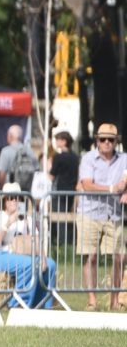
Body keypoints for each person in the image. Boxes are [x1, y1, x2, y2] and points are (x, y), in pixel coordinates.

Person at [76, 123, 127, 311]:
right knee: (91, 256)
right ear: (97, 140)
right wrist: (113, 189)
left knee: (120, 257)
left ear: (116, 141)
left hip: (113, 214)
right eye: (103, 139)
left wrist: (126, 191)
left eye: (110, 139)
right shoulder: (88, 158)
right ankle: (92, 301)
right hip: (89, 212)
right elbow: (87, 185)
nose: (106, 142)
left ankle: (115, 301)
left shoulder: (124, 159)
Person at [0, 182, 55, 308]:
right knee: (29, 264)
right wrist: (8, 223)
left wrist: (42, 258)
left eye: (17, 198)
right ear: (4, 201)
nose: (14, 200)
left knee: (51, 264)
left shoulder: (27, 218)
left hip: (19, 256)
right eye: (10, 198)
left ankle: (42, 304)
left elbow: (37, 239)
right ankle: (18, 304)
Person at [0, 123, 38, 189]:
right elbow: (36, 171)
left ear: (10, 136)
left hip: (10, 190)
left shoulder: (5, 151)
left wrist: (1, 188)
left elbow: (2, 174)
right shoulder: (30, 151)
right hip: (26, 191)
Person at [49, 131, 79, 213]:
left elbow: (52, 175)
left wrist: (48, 168)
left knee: (58, 215)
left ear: (64, 141)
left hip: (59, 191)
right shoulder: (75, 157)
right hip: (71, 191)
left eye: (57, 140)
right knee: (66, 214)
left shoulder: (58, 157)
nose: (56, 142)